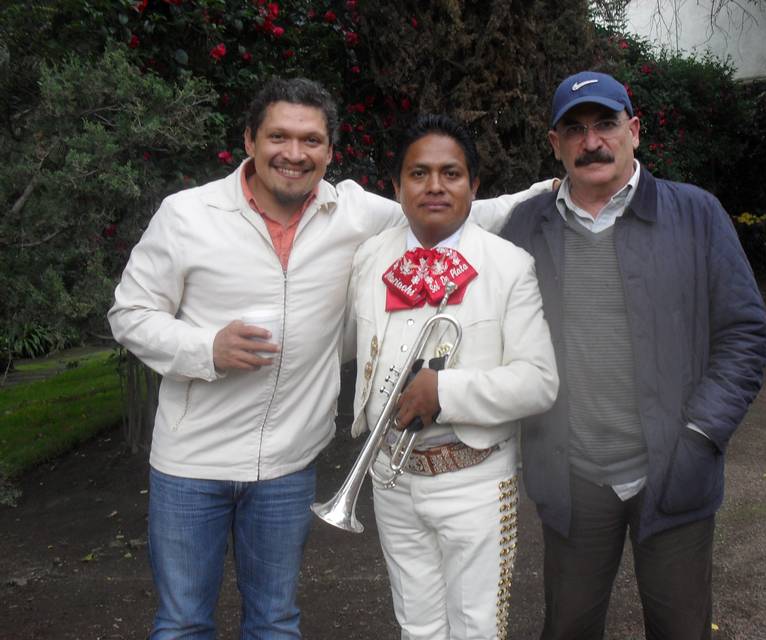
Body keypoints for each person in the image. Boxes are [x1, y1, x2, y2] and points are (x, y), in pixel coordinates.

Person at [108, 78, 553, 638]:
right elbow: (128, 314)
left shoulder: (353, 214)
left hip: (289, 464)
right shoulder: (186, 215)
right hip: (191, 462)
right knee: (181, 623)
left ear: (328, 151)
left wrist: (552, 191)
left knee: (274, 621)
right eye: (279, 136)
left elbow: (451, 209)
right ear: (249, 139)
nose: (294, 154)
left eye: (311, 140)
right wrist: (204, 348)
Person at [500, 71, 766, 640]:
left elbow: (745, 333)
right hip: (574, 480)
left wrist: (699, 435)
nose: (591, 141)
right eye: (573, 130)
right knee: (567, 629)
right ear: (554, 145)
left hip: (673, 473)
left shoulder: (696, 214)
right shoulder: (527, 226)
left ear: (635, 131)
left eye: (605, 124)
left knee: (680, 630)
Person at [344, 114, 559, 640]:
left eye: (451, 173)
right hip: (392, 481)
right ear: (396, 187)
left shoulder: (509, 265)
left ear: (473, 185)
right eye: (418, 174)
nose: (435, 186)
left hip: (476, 482)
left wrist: (446, 391)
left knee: (476, 631)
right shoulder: (371, 257)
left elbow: (539, 382)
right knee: (416, 628)